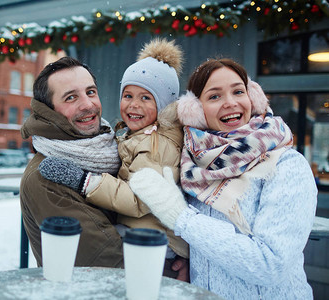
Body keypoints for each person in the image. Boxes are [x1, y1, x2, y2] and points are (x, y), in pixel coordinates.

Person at [129, 58, 317, 299]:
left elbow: (271, 264)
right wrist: (191, 259)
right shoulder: (192, 164)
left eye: (238, 91)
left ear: (253, 98)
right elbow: (208, 243)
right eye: (214, 96)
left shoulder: (286, 166)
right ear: (195, 110)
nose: (230, 103)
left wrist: (182, 218)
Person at [38, 39, 189, 279]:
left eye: (146, 98)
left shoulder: (156, 144)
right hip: (141, 233)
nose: (134, 105)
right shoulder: (138, 136)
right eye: (128, 95)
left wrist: (86, 181)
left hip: (156, 246)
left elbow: (140, 200)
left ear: (163, 104)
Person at [20, 57, 124, 268]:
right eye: (70, 98)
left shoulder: (115, 150)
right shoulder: (45, 177)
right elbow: (108, 261)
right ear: (48, 112)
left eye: (91, 92)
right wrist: (174, 263)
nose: (88, 104)